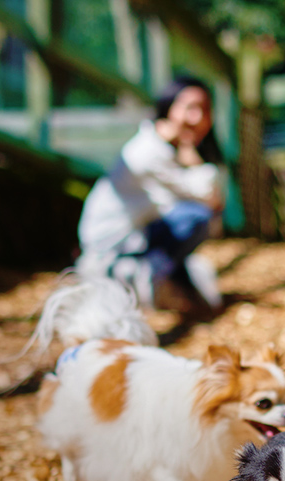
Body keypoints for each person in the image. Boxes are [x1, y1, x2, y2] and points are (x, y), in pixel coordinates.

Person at [75, 76, 225, 316]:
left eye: (205, 110)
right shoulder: (149, 152)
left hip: (141, 232)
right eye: (189, 108)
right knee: (195, 217)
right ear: (168, 108)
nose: (197, 118)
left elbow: (215, 203)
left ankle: (166, 279)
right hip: (113, 245)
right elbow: (210, 198)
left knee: (195, 216)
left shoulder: (166, 147)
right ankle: (153, 279)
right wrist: (192, 155)